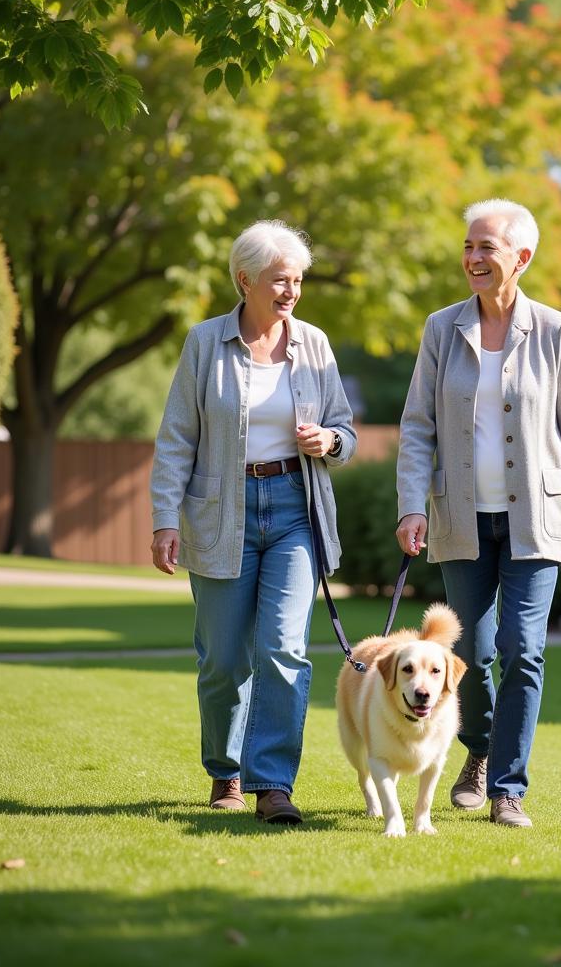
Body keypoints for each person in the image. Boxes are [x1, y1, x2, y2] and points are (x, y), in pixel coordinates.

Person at [396, 198, 561, 828]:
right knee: (472, 657)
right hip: (461, 517)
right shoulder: (440, 329)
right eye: (469, 247)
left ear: (522, 259)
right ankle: (478, 751)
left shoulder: (556, 331)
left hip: (537, 518)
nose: (474, 258)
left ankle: (508, 786)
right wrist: (411, 504)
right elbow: (417, 426)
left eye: (487, 248)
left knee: (523, 649)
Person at [150, 219, 355, 825]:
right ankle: (225, 770)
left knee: (284, 648)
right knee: (222, 660)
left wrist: (329, 441)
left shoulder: (314, 345)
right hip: (221, 511)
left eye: (297, 281)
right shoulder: (203, 343)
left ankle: (272, 785)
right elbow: (176, 439)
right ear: (245, 280)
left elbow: (347, 431)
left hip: (296, 508)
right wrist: (165, 518)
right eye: (278, 280)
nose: (290, 292)